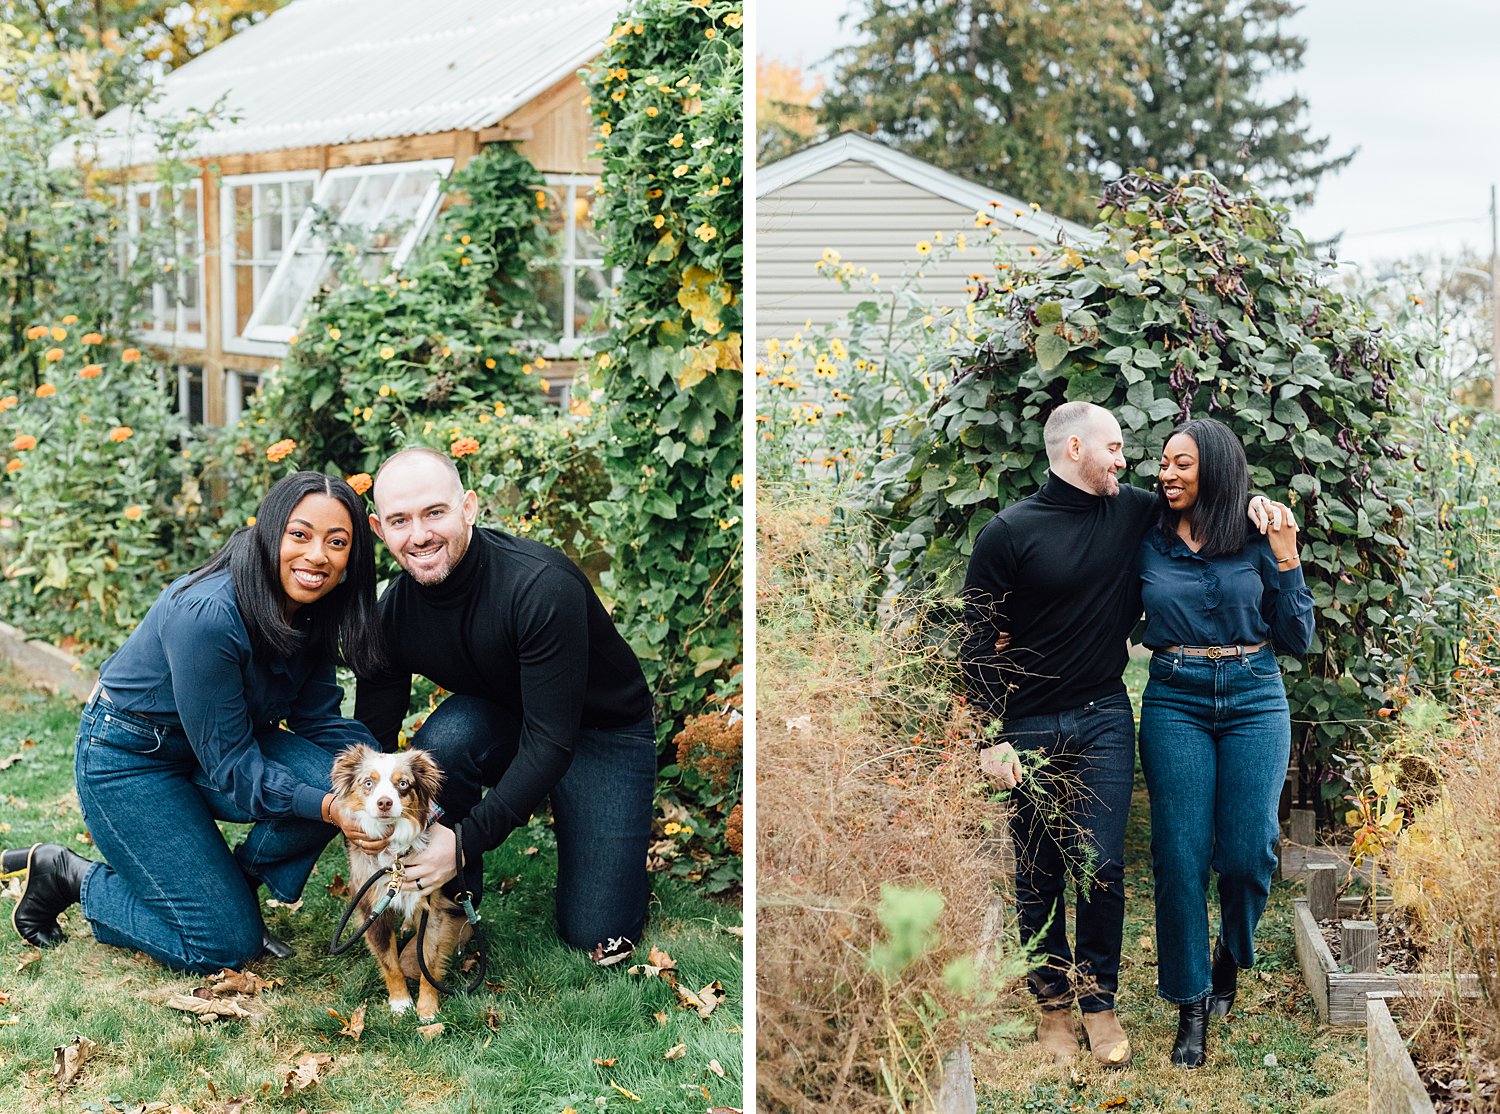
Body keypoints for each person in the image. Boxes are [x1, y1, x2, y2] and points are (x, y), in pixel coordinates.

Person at [962, 401, 1286, 1068]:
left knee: (1103, 869)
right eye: (1114, 449)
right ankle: (1052, 1007)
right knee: (1037, 871)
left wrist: (1264, 507)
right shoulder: (1007, 533)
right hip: (1024, 724)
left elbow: (1213, 491)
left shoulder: (1135, 509)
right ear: (1075, 447)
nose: (1127, 462)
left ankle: (1098, 1002)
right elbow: (975, 641)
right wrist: (988, 736)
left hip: (1105, 714)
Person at [3, 472, 390, 972]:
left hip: (220, 746)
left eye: (336, 543)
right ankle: (71, 877)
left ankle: (228, 894)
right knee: (223, 947)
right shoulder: (208, 615)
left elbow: (317, 719)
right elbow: (232, 764)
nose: (317, 555)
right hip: (130, 758)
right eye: (300, 534)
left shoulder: (314, 606)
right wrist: (328, 808)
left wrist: (391, 777)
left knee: (336, 779)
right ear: (271, 530)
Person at [353, 446, 656, 966]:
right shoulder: (394, 614)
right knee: (445, 740)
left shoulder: (539, 587)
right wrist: (358, 819)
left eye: (434, 513)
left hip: (601, 733)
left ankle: (611, 851)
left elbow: (553, 741)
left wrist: (465, 841)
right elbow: (372, 737)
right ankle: (456, 905)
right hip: (505, 724)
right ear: (380, 531)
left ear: (468, 508)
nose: (419, 535)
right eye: (400, 520)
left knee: (594, 929)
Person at [1136, 418, 1311, 1068]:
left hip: (1254, 693)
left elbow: (1297, 638)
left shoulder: (1259, 531)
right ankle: (1191, 1004)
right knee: (1179, 856)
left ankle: (1229, 958)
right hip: (1175, 697)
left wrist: (1287, 553)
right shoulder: (1146, 534)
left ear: (1214, 468)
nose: (1167, 473)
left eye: (1182, 463)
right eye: (1164, 462)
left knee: (1248, 851)